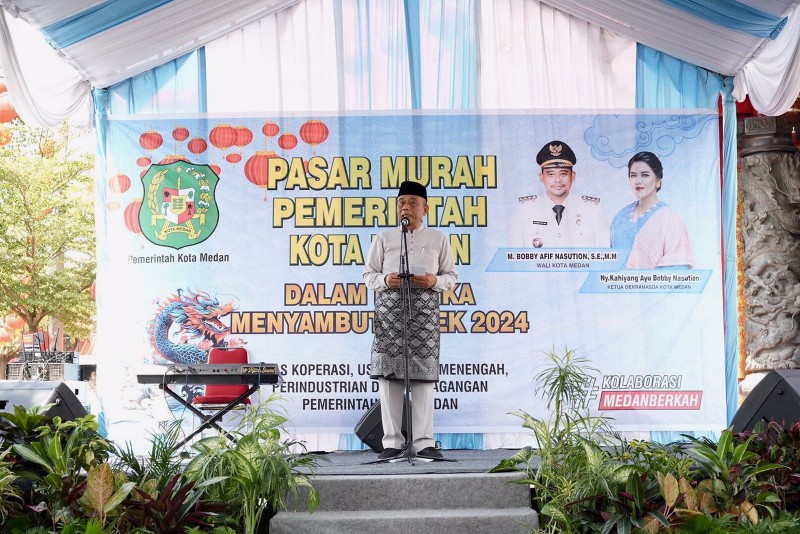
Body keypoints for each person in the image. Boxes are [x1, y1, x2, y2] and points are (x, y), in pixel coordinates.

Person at [363, 180, 458, 460]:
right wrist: (385, 279)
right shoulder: (384, 238)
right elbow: (368, 276)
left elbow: (451, 277)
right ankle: (392, 443)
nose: (406, 207)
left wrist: (434, 280)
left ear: (425, 208)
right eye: (401, 202)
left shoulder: (439, 239)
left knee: (423, 380)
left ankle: (424, 443)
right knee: (389, 379)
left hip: (424, 318)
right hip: (390, 318)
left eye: (412, 203)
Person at [509, 140, 610, 248]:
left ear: (573, 176)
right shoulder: (525, 210)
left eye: (563, 173)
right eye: (551, 174)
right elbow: (515, 258)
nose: (557, 180)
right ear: (541, 177)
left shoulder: (592, 209)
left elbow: (603, 255)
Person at [610, 151, 695, 269]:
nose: (638, 181)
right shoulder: (621, 216)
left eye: (644, 175)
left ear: (658, 180)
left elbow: (677, 269)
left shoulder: (670, 219)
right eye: (633, 175)